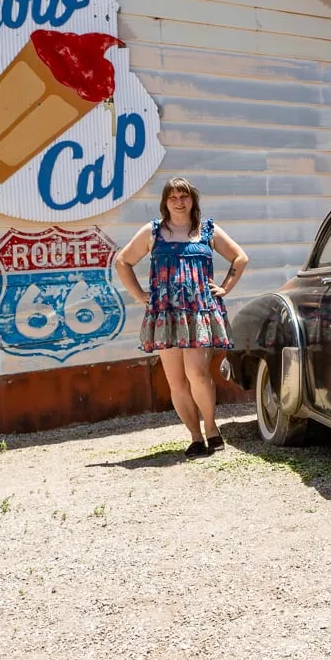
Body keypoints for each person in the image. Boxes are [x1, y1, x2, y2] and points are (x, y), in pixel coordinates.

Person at [116, 177, 249, 458]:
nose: (179, 202)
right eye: (173, 197)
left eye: (184, 196)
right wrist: (140, 295)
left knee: (197, 374)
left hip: (199, 312)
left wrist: (224, 287)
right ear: (165, 202)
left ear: (193, 200)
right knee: (176, 381)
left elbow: (240, 258)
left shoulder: (207, 231)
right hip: (165, 314)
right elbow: (123, 261)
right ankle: (194, 436)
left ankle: (212, 429)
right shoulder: (152, 232)